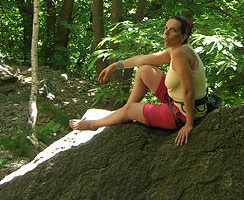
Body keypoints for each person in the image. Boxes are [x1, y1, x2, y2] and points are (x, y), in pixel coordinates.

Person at [69, 16, 208, 146]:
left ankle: (94, 124)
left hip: (182, 112)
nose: (166, 33)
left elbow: (189, 91)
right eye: (166, 28)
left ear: (183, 36)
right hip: (176, 100)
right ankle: (125, 112)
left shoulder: (180, 53)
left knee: (130, 109)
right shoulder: (176, 50)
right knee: (144, 70)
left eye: (173, 30)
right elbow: (143, 59)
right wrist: (116, 65)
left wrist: (189, 124)